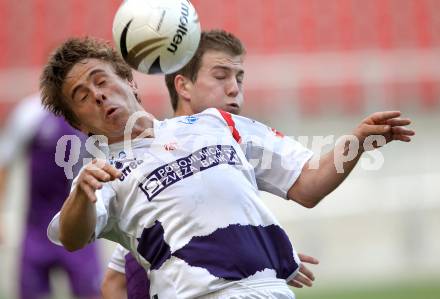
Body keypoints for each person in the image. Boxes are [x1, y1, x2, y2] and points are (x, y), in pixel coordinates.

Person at [42, 37, 413, 299]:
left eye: (101, 80)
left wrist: (358, 141)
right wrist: (82, 193)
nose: (99, 94)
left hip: (271, 290)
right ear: (81, 125)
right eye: (82, 96)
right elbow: (73, 237)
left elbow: (308, 183)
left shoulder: (216, 123)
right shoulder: (100, 175)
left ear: (130, 81)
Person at [101, 29, 319, 299]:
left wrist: (253, 257)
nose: (234, 88)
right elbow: (116, 280)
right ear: (183, 86)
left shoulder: (227, 150)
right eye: (220, 77)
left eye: (239, 78)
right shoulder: (150, 162)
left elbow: (309, 186)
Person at [0, 94, 102, 299]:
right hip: (37, 229)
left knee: (91, 294)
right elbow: (5, 161)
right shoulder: (31, 112)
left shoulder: (92, 111)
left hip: (81, 226)